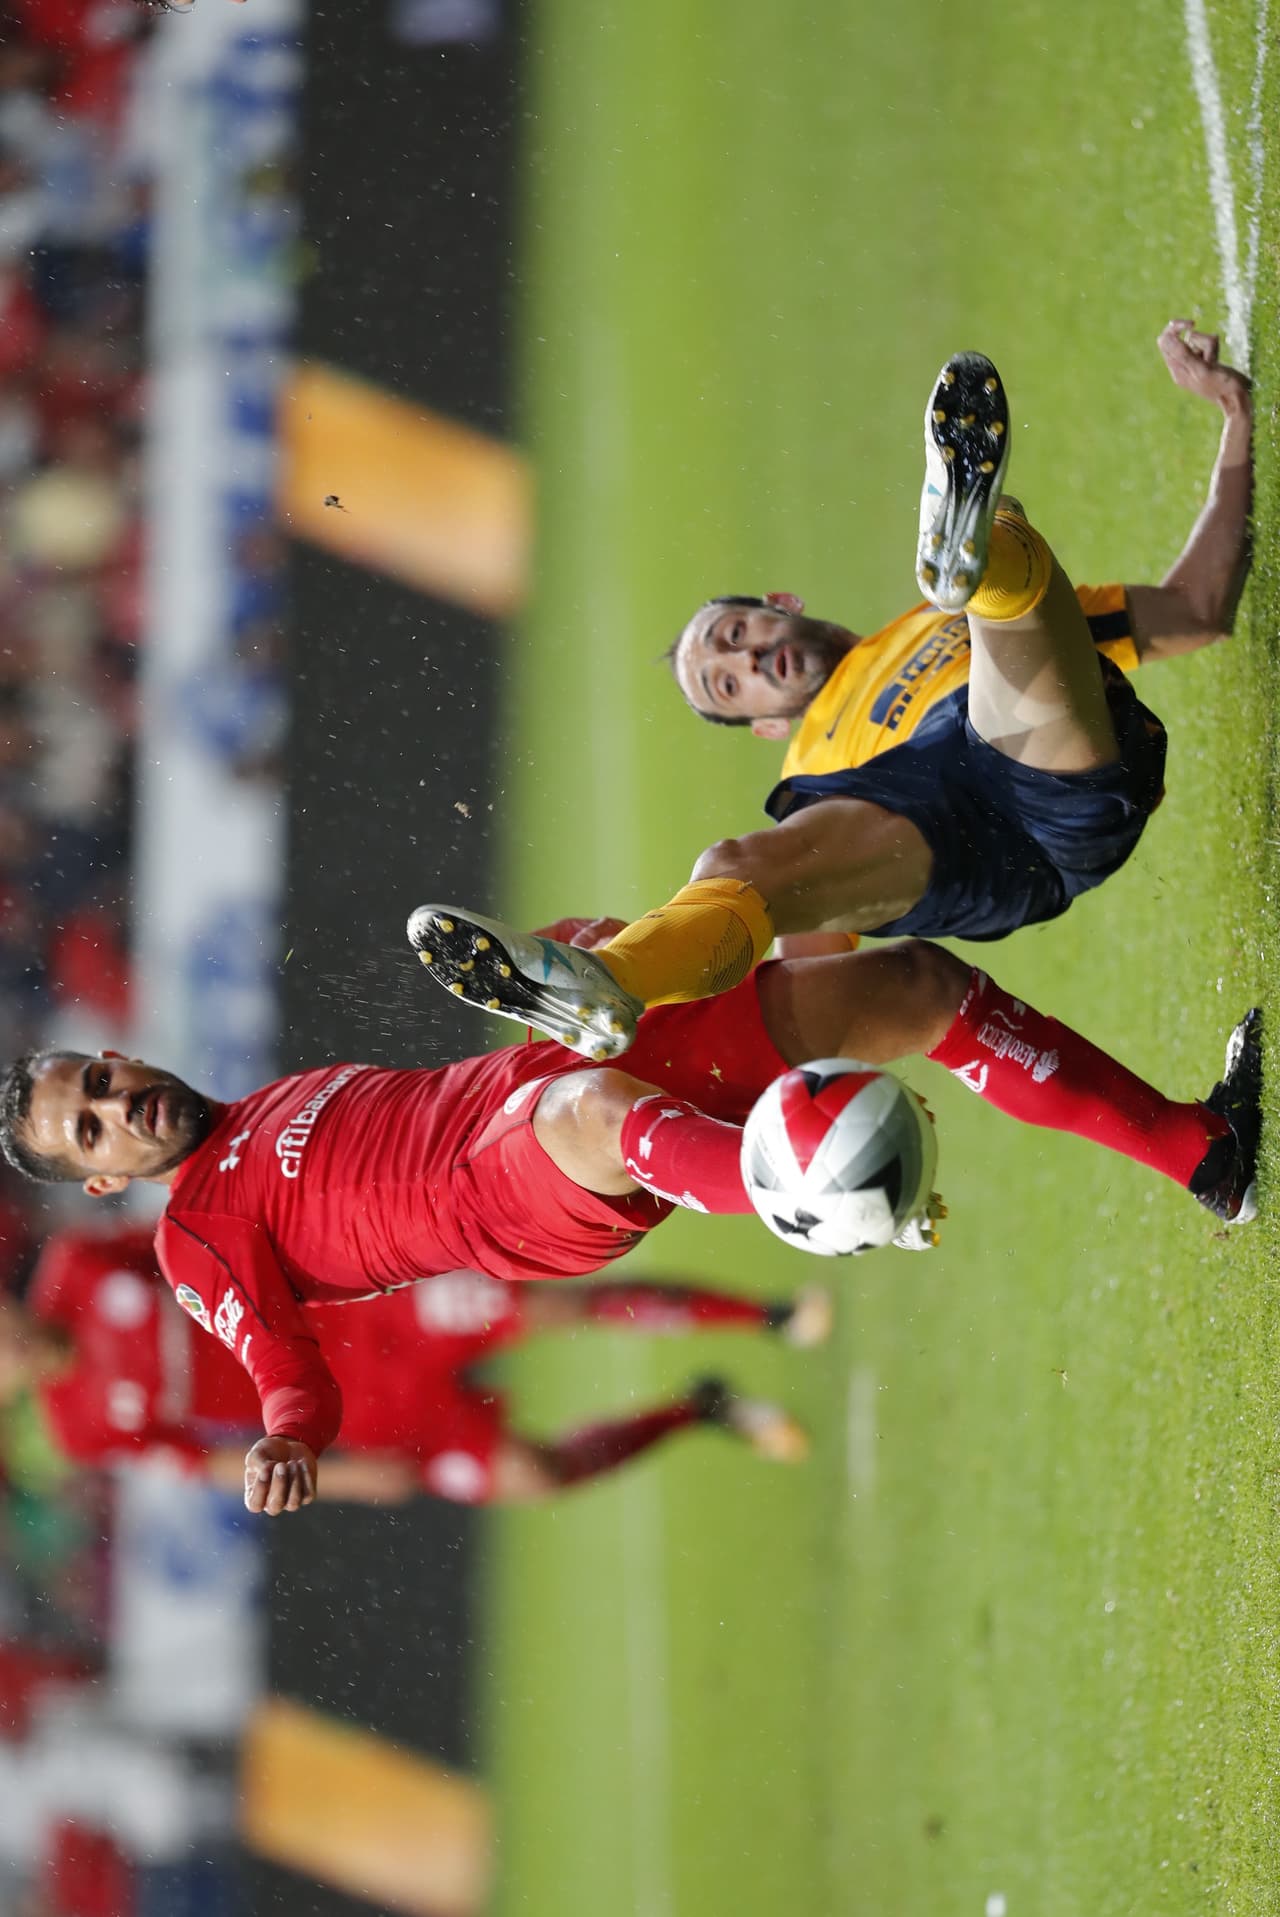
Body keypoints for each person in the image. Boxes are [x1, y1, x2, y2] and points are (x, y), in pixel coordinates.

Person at [0, 935, 1261, 1515]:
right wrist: (288, 1438)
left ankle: (1199, 1151)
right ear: (102, 1182)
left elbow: (427, 1108)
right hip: (517, 1190)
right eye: (93, 1132)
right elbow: (283, 1368)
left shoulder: (260, 1100)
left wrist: (568, 973)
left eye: (99, 1084)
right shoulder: (189, 1241)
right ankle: (798, 1193)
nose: (118, 1107)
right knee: (597, 1109)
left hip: (525, 1089)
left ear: (115, 1051)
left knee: (905, 985)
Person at [407, 321, 1250, 1060]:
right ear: (765, 727)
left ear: (781, 607)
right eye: (726, 684)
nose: (743, 661)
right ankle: (613, 980)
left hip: (1036, 747)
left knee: (992, 593)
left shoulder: (925, 622)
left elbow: (1196, 609)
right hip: (984, 845)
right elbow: (815, 978)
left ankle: (983, 544)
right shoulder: (810, 775)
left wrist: (1235, 421)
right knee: (736, 865)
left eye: (735, 635)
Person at [4, 1224, 828, 1503]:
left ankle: (769, 1315)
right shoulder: (79, 1431)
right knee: (533, 1473)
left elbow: (193, 1234)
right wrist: (352, 1479)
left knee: (555, 1305)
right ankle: (698, 1410)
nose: (10, 1348)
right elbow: (210, 1460)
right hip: (355, 1413)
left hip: (370, 1313)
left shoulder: (80, 1263)